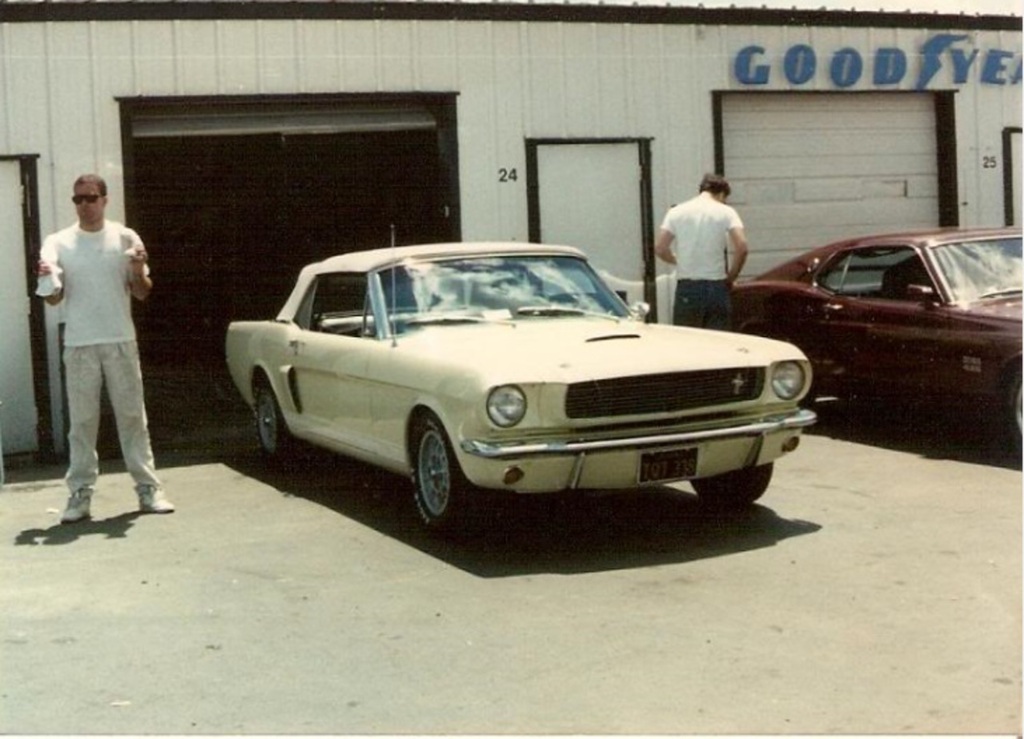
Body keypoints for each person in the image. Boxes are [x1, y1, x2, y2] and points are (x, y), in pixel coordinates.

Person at [37, 174, 174, 524]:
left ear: (105, 200)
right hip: (80, 344)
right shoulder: (58, 242)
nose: (84, 205)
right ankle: (80, 493)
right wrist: (47, 277)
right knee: (82, 423)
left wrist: (139, 267)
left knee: (132, 417)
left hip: (120, 341)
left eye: (91, 197)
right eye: (78, 199)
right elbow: (53, 298)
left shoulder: (126, 237)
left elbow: (142, 291)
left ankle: (148, 488)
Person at [654, 173, 749, 330]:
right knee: (719, 342)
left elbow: (660, 248)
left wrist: (678, 259)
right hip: (716, 286)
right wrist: (731, 277)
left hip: (688, 287)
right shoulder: (726, 212)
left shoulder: (677, 212)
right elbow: (742, 247)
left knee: (688, 342)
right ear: (721, 194)